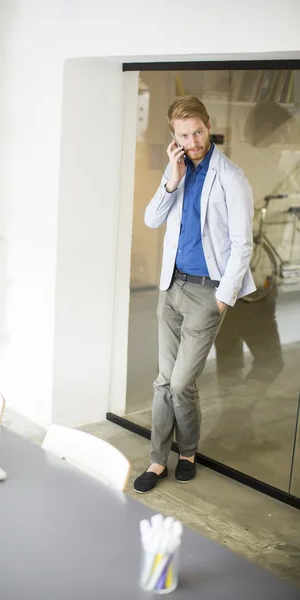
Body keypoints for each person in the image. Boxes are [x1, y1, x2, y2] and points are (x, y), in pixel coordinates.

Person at [133, 96, 256, 493]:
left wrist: (224, 296)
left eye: (198, 131)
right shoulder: (178, 170)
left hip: (207, 292)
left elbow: (243, 245)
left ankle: (187, 451)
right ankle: (157, 460)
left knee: (181, 382)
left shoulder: (232, 178)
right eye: (184, 135)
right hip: (171, 288)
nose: (193, 140)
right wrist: (171, 177)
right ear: (175, 137)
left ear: (208, 125)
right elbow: (153, 218)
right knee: (162, 382)